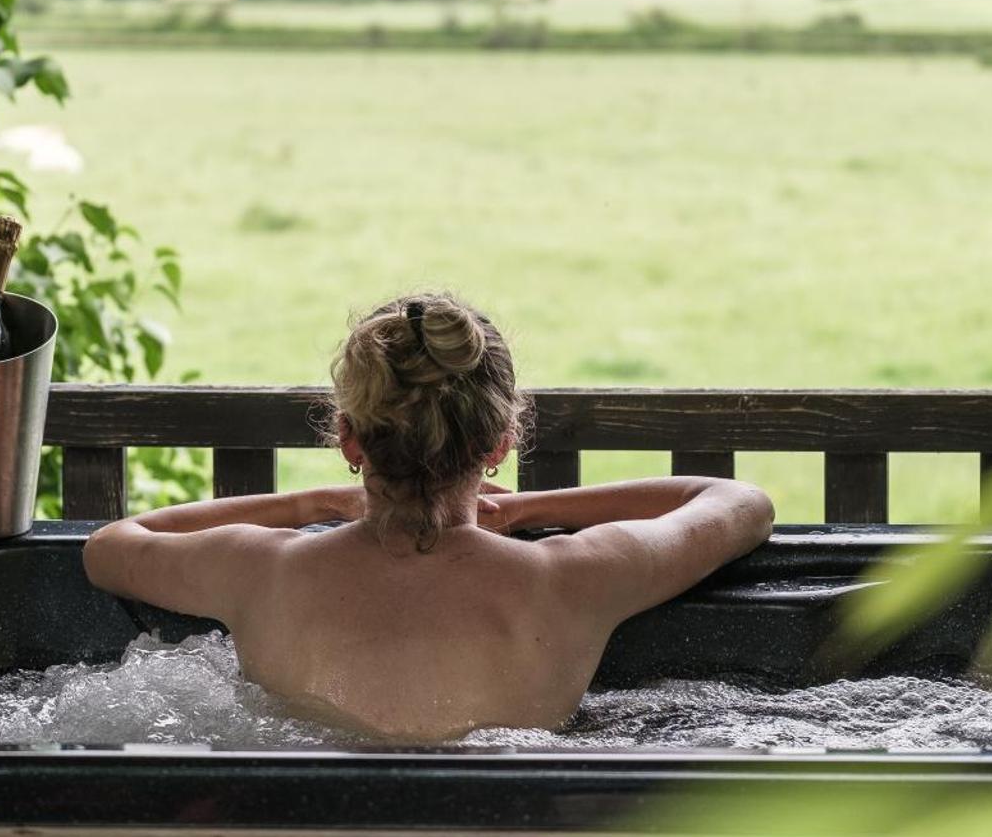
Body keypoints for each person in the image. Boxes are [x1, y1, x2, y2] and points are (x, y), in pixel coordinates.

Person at [82, 292, 774, 740]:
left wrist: (306, 504)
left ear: (349, 439)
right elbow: (739, 503)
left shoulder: (260, 568)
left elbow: (112, 546)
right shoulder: (575, 577)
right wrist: (532, 510)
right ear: (501, 443)